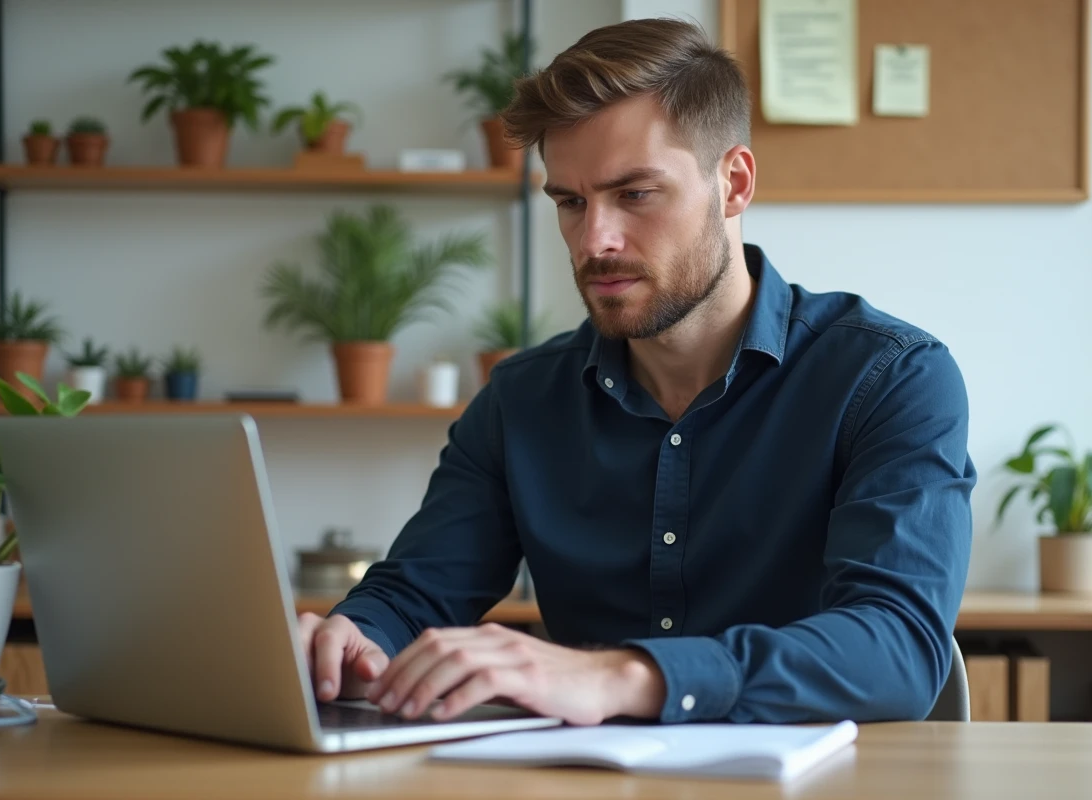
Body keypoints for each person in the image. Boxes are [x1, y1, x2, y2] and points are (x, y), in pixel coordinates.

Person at [298, 17, 975, 726]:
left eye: (635, 194)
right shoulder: (521, 401)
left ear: (734, 183)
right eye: (570, 201)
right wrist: (352, 640)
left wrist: (627, 676)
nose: (596, 240)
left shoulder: (890, 378)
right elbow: (415, 597)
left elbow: (897, 648)